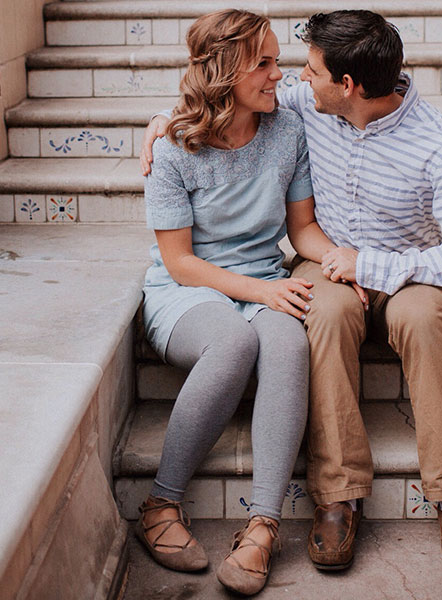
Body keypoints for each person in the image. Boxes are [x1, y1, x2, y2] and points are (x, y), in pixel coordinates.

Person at [141, 9, 442, 571]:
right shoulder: (306, 103)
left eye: (307, 68)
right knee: (321, 317)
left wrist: (369, 265)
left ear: (347, 86)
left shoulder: (436, 140)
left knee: (426, 321)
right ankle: (337, 496)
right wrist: (165, 119)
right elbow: (217, 101)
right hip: (327, 266)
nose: (294, 76)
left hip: (406, 273)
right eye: (282, 64)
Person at [137, 9, 366, 596]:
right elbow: (179, 261)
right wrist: (262, 291)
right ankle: (160, 504)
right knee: (236, 341)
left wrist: (344, 258)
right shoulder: (174, 147)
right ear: (224, 72)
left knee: (289, 343)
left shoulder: (286, 131)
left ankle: (263, 525)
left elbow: (302, 229)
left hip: (263, 279)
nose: (277, 73)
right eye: (263, 62)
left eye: (276, 59)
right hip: (187, 292)